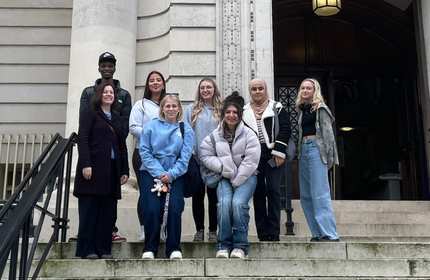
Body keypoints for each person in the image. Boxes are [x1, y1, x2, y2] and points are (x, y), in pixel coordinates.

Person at [199, 92, 261, 259]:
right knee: (224, 204)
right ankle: (223, 245)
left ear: (240, 115)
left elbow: (251, 161)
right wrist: (223, 168)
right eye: (228, 112)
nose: (231, 116)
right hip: (223, 178)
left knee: (238, 204)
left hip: (247, 177)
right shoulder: (214, 136)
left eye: (235, 113)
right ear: (223, 114)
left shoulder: (249, 134)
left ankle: (240, 245)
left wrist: (237, 178)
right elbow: (204, 154)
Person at [79, 51, 131, 242]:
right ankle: (87, 231)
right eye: (104, 65)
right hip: (94, 153)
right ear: (99, 67)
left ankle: (110, 229)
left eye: (110, 65)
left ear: (115, 68)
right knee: (90, 196)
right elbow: (83, 124)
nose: (107, 68)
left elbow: (124, 127)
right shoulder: (88, 92)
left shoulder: (124, 95)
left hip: (114, 152)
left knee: (111, 195)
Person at [74, 81, 129, 259]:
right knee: (90, 211)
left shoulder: (117, 117)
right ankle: (87, 249)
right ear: (99, 95)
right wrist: (85, 164)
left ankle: (104, 249)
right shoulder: (90, 113)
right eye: (105, 92)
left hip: (112, 171)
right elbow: (83, 138)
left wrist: (124, 169)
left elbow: (122, 146)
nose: (108, 94)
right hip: (93, 169)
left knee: (108, 212)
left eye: (111, 92)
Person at [139, 94, 194, 259]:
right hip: (150, 172)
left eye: (174, 106)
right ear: (162, 108)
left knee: (175, 208)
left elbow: (185, 157)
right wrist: (159, 173)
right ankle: (150, 247)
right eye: (167, 106)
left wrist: (171, 175)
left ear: (179, 109)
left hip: (175, 174)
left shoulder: (186, 129)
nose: (170, 109)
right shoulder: (150, 126)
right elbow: (145, 151)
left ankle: (173, 248)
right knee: (152, 208)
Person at [242, 79, 291, 242]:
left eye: (260, 88)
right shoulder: (243, 111)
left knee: (274, 191)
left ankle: (274, 232)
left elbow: (285, 128)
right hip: (254, 155)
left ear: (266, 89)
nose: (257, 91)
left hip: (273, 153)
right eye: (254, 89)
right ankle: (263, 233)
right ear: (250, 91)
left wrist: (279, 152)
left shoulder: (277, 107)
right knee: (258, 192)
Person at [296, 78, 339, 242]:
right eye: (303, 88)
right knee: (306, 195)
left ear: (315, 91)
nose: (305, 90)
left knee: (319, 192)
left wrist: (329, 158)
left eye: (309, 88)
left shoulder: (320, 109)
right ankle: (317, 233)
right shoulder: (302, 109)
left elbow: (328, 135)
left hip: (317, 149)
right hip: (304, 150)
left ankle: (329, 233)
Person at [184, 78, 222, 242]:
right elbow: (186, 131)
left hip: (215, 159)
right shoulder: (191, 109)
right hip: (196, 158)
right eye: (203, 88)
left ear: (214, 89)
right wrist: (191, 153)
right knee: (197, 196)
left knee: (214, 196)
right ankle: (199, 229)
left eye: (209, 87)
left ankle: (213, 230)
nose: (205, 90)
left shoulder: (221, 109)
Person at [129, 71, 166, 241]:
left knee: (164, 193)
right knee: (145, 192)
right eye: (152, 80)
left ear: (163, 84)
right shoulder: (140, 104)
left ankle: (161, 228)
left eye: (158, 80)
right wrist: (154, 133)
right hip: (143, 154)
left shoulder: (169, 104)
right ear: (147, 85)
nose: (155, 83)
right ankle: (145, 228)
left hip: (166, 156)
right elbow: (133, 127)